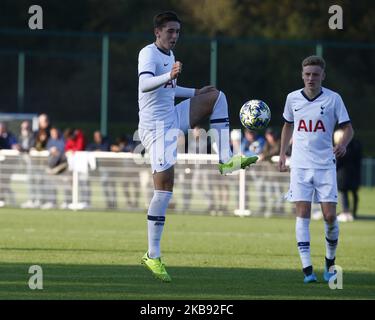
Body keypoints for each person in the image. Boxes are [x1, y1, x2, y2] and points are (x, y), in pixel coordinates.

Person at [138, 11, 258, 282]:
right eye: (170, 31)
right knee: (164, 189)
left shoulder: (169, 57)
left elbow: (169, 90)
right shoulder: (148, 53)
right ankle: (152, 255)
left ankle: (225, 159)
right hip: (155, 130)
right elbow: (145, 84)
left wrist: (196, 92)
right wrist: (169, 74)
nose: (174, 36)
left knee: (217, 97)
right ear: (157, 32)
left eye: (178, 32)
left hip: (171, 117)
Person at [278, 55, 354, 284]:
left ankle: (330, 262)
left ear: (323, 76)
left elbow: (348, 128)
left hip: (325, 165)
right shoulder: (292, 98)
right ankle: (307, 269)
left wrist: (342, 144)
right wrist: (282, 153)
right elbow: (287, 125)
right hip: (300, 165)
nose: (311, 78)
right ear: (302, 75)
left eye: (315, 74)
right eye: (308, 74)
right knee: (302, 214)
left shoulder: (333, 99)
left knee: (330, 216)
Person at [334, 129, 362, 222]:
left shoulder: (340, 149)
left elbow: (337, 163)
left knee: (343, 193)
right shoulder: (356, 145)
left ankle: (345, 212)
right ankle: (353, 213)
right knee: (354, 194)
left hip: (343, 175)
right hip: (355, 174)